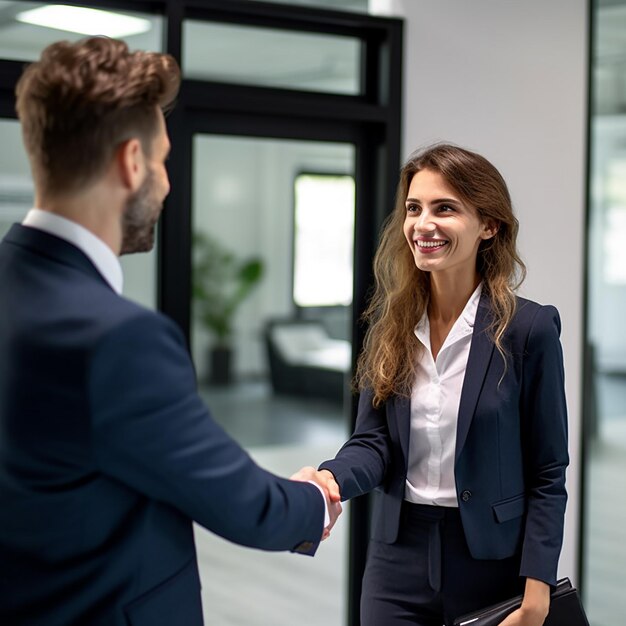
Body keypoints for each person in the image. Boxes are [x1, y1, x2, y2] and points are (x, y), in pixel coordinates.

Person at [0, 37, 340, 626]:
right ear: (131, 162)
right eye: (161, 160)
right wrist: (314, 499)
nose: (167, 182)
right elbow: (244, 504)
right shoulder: (118, 339)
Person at [298, 144, 569, 626]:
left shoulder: (530, 330)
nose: (423, 224)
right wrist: (331, 478)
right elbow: (373, 443)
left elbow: (548, 473)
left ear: (489, 226)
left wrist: (537, 592)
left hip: (491, 560)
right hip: (396, 556)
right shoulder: (389, 325)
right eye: (413, 208)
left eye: (445, 208)